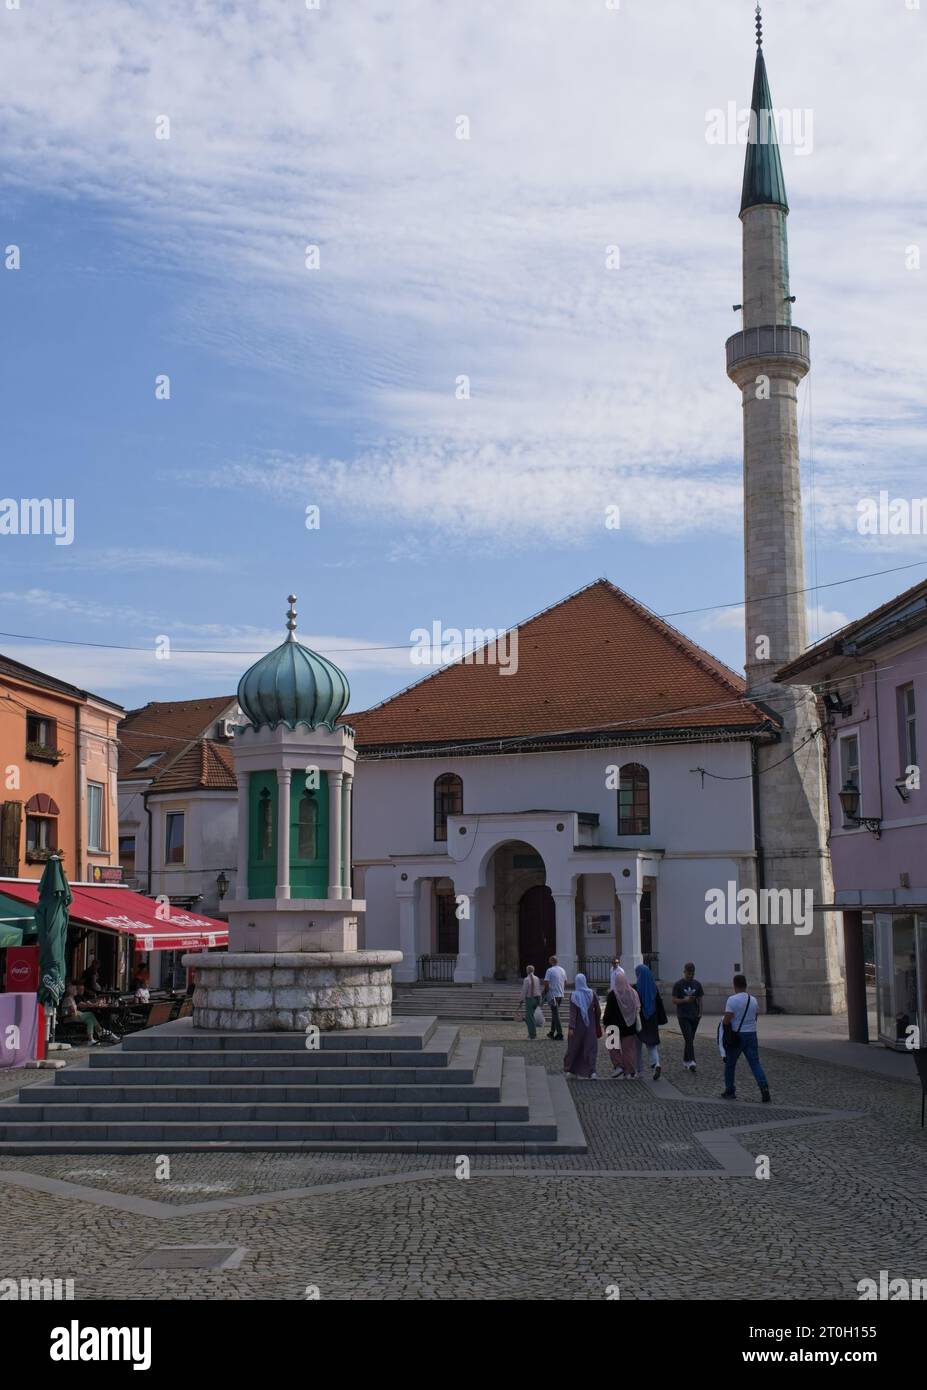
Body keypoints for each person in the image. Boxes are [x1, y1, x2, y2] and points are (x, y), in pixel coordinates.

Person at [720, 974, 770, 1102]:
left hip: (737, 1035)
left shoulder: (732, 1000)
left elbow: (727, 1020)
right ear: (746, 985)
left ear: (734, 985)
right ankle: (764, 1088)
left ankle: (730, 1090)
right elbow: (755, 1017)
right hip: (751, 1034)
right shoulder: (753, 1000)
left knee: (730, 1064)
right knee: (755, 1063)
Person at [602, 966, 639, 1078]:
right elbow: (637, 1007)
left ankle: (619, 1066)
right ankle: (630, 1070)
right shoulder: (633, 993)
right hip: (630, 1026)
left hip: (613, 1027)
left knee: (613, 1047)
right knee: (628, 1050)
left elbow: (608, 1012)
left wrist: (605, 1023)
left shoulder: (613, 995)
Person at [563, 973, 601, 1079]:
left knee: (575, 1047)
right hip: (590, 1025)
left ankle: (571, 1070)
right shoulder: (592, 994)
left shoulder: (574, 995)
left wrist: (571, 1027)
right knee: (590, 1047)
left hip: (578, 1026)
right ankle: (592, 1071)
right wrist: (596, 1022)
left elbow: (573, 1013)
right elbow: (598, 1010)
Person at [634, 962, 664, 1081]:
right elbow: (659, 1004)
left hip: (639, 1021)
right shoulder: (654, 988)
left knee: (637, 1047)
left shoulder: (636, 989)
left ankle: (639, 1070)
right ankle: (656, 1064)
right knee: (652, 1045)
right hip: (652, 1020)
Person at [672, 962, 704, 1072]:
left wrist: (700, 1012)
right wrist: (685, 1000)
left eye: (692, 974)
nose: (690, 976)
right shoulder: (678, 985)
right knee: (689, 1038)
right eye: (688, 973)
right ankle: (692, 1061)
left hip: (695, 1015)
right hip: (683, 1015)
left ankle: (686, 1060)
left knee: (690, 1038)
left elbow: (700, 999)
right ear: (684, 971)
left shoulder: (697, 984)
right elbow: (674, 1000)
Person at [542, 955, 566, 1041]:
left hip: (553, 995)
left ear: (551, 961)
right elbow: (565, 981)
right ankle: (552, 1032)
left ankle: (560, 1033)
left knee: (555, 1014)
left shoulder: (549, 970)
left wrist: (545, 992)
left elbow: (546, 982)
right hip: (560, 994)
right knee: (554, 1013)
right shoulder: (562, 970)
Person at [518, 965, 543, 1039]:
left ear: (527, 971)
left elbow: (524, 991)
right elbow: (538, 988)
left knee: (529, 1017)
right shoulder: (537, 978)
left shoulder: (526, 979)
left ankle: (532, 1034)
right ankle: (532, 1033)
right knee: (531, 1016)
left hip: (530, 999)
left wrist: (521, 1000)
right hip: (537, 998)